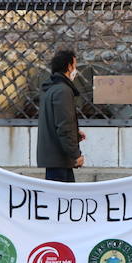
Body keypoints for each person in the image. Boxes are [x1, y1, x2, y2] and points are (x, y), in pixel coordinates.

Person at [37, 49, 84, 182]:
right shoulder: (63, 91)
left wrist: (76, 133)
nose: (75, 69)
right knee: (63, 200)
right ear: (69, 66)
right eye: (75, 65)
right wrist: (76, 154)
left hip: (54, 158)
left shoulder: (50, 88)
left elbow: (56, 121)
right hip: (60, 159)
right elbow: (64, 126)